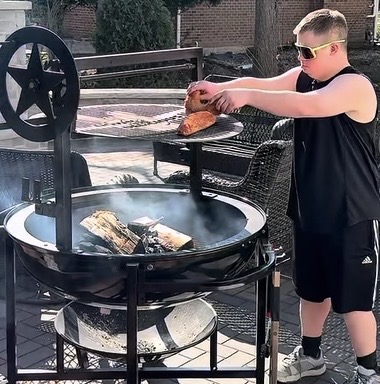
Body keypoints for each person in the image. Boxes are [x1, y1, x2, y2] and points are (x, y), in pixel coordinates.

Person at [187, 8, 380, 384]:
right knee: (311, 290)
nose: (300, 58)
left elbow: (306, 108)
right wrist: (221, 90)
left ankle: (368, 372)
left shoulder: (354, 86)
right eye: (297, 49)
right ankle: (311, 357)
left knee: (354, 302)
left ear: (335, 49)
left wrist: (244, 97)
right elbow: (267, 84)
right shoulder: (303, 77)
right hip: (309, 208)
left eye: (307, 51)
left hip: (351, 213)